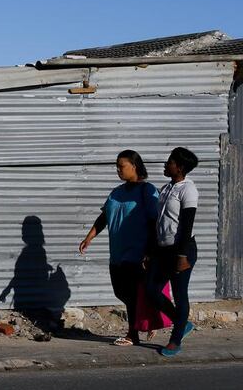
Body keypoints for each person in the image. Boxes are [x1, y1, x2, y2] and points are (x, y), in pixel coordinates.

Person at [78, 150, 159, 346]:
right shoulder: (116, 192)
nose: (118, 170)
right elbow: (104, 216)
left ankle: (133, 334)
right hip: (117, 253)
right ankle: (149, 321)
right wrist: (90, 236)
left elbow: (154, 221)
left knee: (131, 293)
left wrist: (150, 251)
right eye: (117, 166)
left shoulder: (147, 191)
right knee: (120, 292)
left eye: (121, 166)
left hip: (137, 252)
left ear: (135, 166)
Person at [146, 147, 200, 357]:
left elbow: (187, 224)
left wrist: (182, 255)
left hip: (181, 250)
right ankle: (182, 322)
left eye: (170, 162)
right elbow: (160, 222)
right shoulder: (167, 188)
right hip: (162, 250)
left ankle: (175, 340)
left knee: (180, 294)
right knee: (151, 290)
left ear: (180, 167)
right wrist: (151, 251)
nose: (166, 164)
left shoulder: (188, 190)